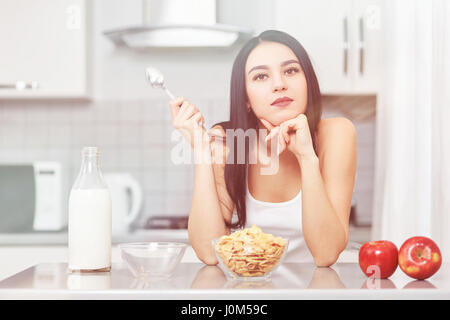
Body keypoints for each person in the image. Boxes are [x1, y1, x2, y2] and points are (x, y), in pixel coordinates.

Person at [169, 30, 357, 267]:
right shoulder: (228, 140)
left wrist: (307, 156)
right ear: (246, 98)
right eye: (260, 77)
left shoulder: (337, 133)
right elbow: (209, 252)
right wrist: (201, 152)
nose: (279, 84)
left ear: (307, 81)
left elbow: (326, 253)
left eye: (290, 71)